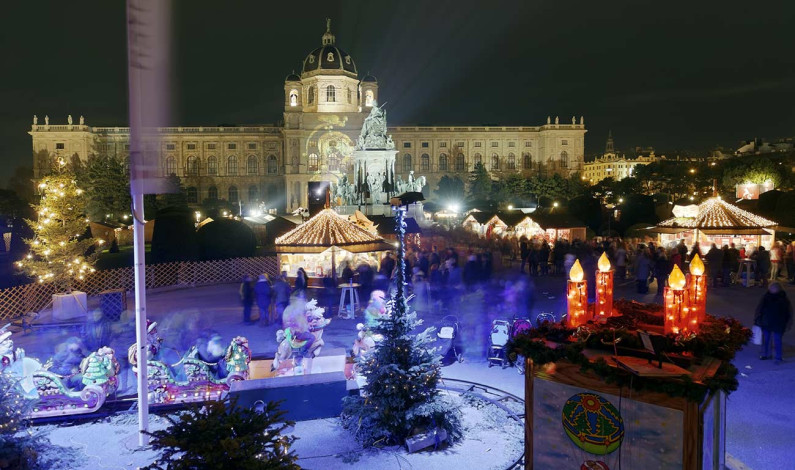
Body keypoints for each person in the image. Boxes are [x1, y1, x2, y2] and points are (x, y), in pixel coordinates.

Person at [754, 282, 792, 364]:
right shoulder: (766, 297)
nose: (773, 289)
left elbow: (788, 312)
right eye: (772, 288)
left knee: (776, 340)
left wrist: (788, 323)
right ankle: (766, 354)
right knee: (766, 340)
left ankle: (777, 356)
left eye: (774, 288)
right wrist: (757, 319)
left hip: (777, 324)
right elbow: (759, 308)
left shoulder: (783, 299)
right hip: (767, 322)